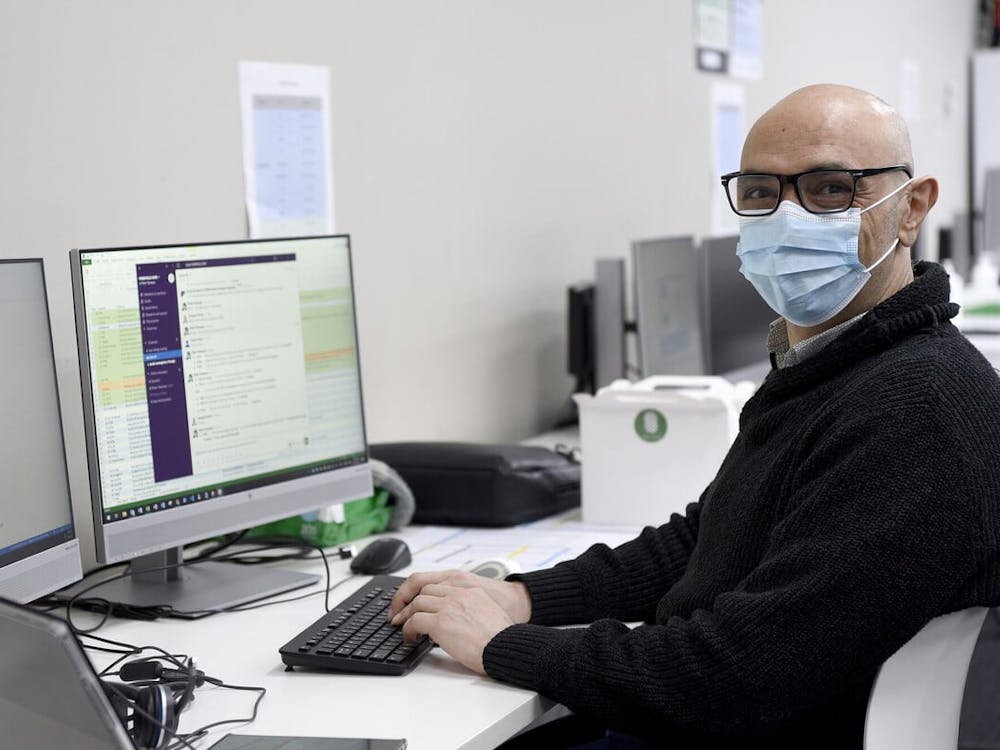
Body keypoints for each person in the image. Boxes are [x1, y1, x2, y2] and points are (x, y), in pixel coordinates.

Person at [388, 84, 1000, 749]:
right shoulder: (838, 363)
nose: (788, 216)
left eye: (830, 189)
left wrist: (505, 645)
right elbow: (708, 539)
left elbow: (734, 676)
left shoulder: (917, 407)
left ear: (911, 208)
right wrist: (527, 598)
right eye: (763, 192)